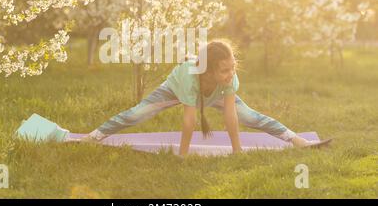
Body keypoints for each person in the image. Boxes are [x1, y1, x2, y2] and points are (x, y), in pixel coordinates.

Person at [68, 40, 331, 156]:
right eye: (224, 70)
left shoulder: (229, 78)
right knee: (137, 114)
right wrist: (182, 157)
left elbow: (231, 114)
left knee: (251, 116)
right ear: (209, 69)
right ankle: (93, 137)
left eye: (232, 68)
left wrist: (237, 151)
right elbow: (189, 122)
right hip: (176, 88)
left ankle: (298, 141)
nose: (230, 74)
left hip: (211, 90)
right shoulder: (190, 77)